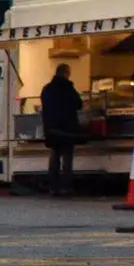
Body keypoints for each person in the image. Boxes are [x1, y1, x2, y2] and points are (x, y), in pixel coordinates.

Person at [38, 64, 85, 195]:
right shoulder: (68, 88)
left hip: (51, 129)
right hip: (66, 129)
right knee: (67, 160)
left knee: (54, 157)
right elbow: (79, 104)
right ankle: (66, 187)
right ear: (66, 73)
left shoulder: (46, 89)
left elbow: (44, 107)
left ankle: (53, 187)